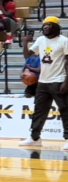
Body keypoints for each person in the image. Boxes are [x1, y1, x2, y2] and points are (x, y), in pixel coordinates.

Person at [19, 16, 68, 149]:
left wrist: (66, 81)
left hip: (58, 80)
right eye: (44, 25)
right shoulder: (40, 40)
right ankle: (35, 138)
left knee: (65, 109)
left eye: (49, 25)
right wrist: (25, 43)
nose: (46, 27)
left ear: (56, 27)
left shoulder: (64, 41)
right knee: (39, 110)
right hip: (42, 81)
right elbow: (28, 55)